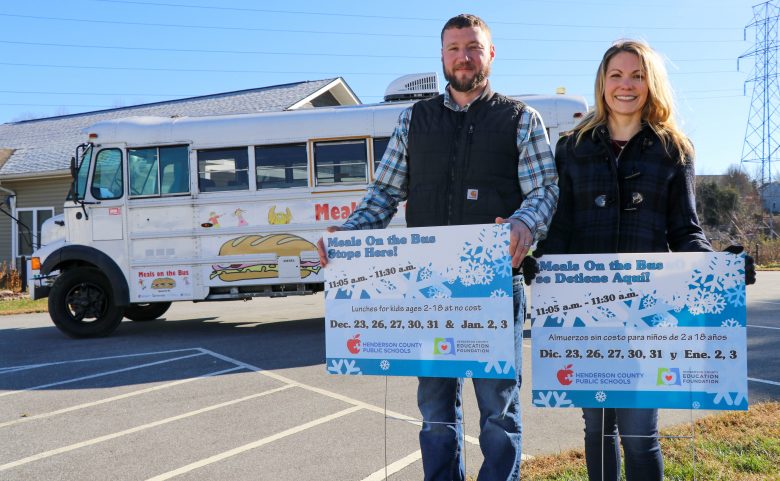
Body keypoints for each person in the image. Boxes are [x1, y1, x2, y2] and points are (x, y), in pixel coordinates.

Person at [316, 13, 557, 481]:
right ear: (441, 56)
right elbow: (383, 194)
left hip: (495, 287)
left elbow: (544, 191)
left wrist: (525, 224)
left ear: (490, 53)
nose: (463, 57)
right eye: (453, 48)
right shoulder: (414, 120)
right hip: (425, 291)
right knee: (435, 411)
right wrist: (345, 238)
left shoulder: (520, 119)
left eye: (472, 47)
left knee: (498, 412)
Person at [537, 40, 756, 481]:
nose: (626, 85)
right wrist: (542, 263)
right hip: (586, 313)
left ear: (651, 83)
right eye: (616, 75)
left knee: (639, 433)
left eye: (637, 75)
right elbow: (561, 227)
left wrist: (720, 269)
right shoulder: (571, 148)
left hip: (647, 313)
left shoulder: (674, 149)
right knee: (597, 428)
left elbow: (685, 230)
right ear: (602, 83)